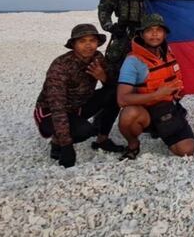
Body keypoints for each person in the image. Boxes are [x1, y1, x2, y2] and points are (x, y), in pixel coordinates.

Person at [33, 24, 125, 168]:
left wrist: (103, 77)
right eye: (82, 41)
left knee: (115, 93)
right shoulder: (60, 66)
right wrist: (66, 147)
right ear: (73, 44)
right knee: (84, 131)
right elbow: (57, 107)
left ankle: (102, 140)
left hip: (79, 106)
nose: (88, 45)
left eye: (92, 40)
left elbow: (114, 83)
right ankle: (56, 142)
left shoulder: (97, 58)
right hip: (49, 112)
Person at [116, 14, 194, 159]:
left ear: (164, 34)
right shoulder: (132, 61)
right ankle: (133, 144)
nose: (154, 34)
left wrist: (177, 91)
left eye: (158, 30)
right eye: (149, 30)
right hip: (145, 111)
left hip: (167, 108)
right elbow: (122, 99)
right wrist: (156, 95)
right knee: (128, 115)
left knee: (186, 151)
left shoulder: (170, 53)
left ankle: (163, 128)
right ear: (141, 34)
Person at [98, 0, 174, 85]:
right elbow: (104, 7)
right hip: (123, 34)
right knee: (114, 69)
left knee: (151, 69)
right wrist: (110, 27)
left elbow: (171, 6)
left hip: (148, 37)